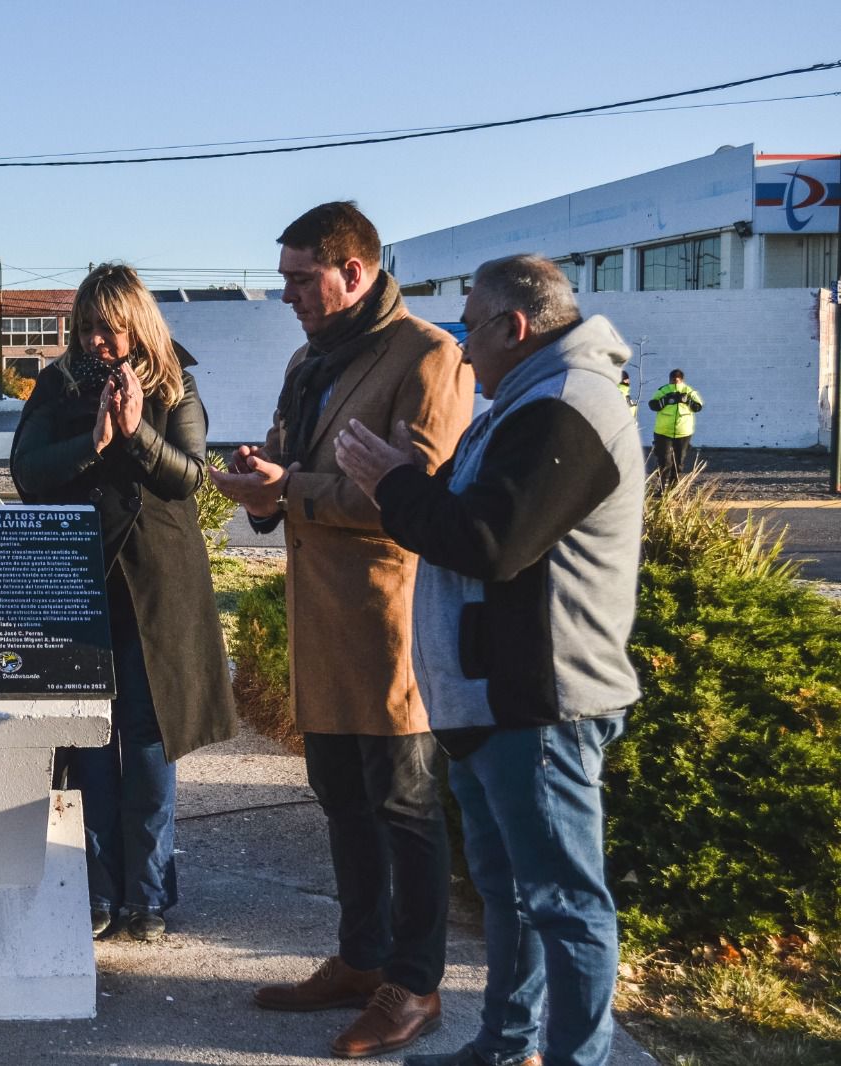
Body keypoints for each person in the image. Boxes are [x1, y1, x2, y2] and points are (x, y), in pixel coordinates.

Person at [335, 254, 643, 1066]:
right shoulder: (527, 403)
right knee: (510, 895)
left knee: (565, 903)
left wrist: (396, 484)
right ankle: (506, 1048)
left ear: (514, 326)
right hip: (493, 704)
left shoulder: (568, 406)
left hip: (537, 703)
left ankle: (578, 1057)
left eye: (470, 324)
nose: (462, 349)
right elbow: (474, 520)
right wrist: (408, 485)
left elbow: (487, 542)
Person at [209, 202, 474, 1059]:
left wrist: (290, 489)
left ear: (353, 271)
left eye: (299, 278)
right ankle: (361, 961)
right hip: (318, 625)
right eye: (281, 278)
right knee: (342, 804)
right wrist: (258, 483)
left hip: (391, 627)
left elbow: (410, 496)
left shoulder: (430, 356)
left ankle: (416, 984)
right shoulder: (307, 359)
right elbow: (295, 461)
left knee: (404, 809)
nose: (285, 294)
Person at [10, 263, 238, 942]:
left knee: (147, 741)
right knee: (85, 741)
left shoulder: (176, 383)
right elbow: (27, 472)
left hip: (158, 587)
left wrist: (137, 432)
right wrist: (94, 443)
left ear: (136, 323)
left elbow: (192, 478)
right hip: (79, 584)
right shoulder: (57, 385)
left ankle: (148, 896)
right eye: (85, 328)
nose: (96, 341)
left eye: (107, 328)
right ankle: (96, 890)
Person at [647, 368, 703, 487]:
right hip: (663, 431)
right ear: (669, 380)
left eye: (677, 381)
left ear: (681, 380)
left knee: (679, 462)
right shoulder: (663, 390)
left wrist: (688, 401)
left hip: (683, 432)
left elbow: (698, 407)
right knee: (664, 461)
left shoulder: (689, 391)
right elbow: (653, 405)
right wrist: (666, 400)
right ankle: (662, 488)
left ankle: (673, 488)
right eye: (673, 380)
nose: (674, 383)